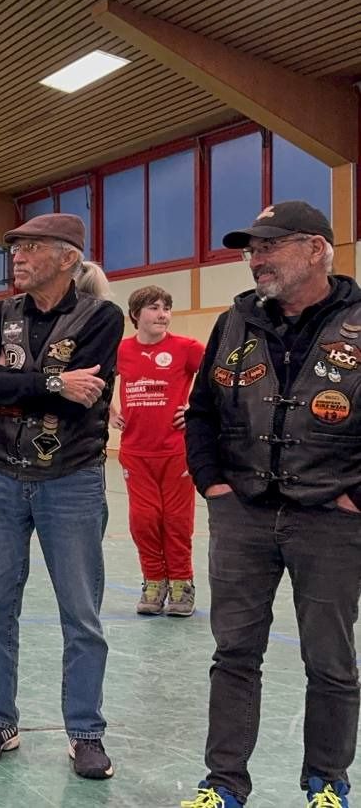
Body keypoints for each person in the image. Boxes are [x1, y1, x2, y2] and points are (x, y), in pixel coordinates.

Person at [180, 201, 359, 808]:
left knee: (330, 659)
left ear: (316, 249)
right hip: (243, 514)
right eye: (251, 249)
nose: (256, 259)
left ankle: (326, 781)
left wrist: (356, 497)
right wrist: (213, 484)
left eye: (269, 246)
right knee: (234, 653)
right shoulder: (235, 323)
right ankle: (224, 783)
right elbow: (201, 411)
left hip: (331, 521)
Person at [0, 213, 122, 780]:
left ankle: (85, 732)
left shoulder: (102, 317)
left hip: (71, 478)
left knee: (80, 612)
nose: (18, 256)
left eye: (31, 247)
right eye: (16, 248)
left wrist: (20, 388)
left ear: (67, 258)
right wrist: (53, 383)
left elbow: (88, 393)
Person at [109, 285, 202, 617]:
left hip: (176, 451)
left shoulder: (186, 348)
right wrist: (109, 411)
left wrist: (195, 409)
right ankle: (153, 581)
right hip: (136, 452)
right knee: (144, 520)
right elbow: (99, 380)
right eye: (154, 308)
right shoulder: (120, 350)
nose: (162, 314)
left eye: (166, 308)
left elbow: (220, 377)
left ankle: (181, 584)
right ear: (136, 315)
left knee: (177, 520)